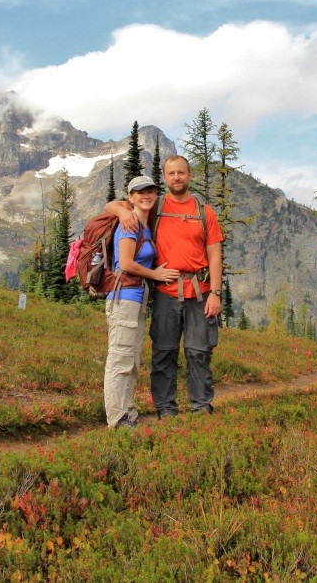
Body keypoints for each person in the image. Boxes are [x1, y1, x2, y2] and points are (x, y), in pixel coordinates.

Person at [107, 156, 224, 418]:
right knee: (164, 352)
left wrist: (215, 293)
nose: (176, 178)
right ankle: (165, 407)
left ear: (189, 175)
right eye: (171, 173)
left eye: (181, 172)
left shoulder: (205, 212)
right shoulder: (154, 206)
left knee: (199, 352)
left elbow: (215, 255)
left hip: (200, 291)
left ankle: (201, 405)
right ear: (164, 177)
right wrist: (123, 212)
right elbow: (110, 206)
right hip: (164, 292)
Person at [104, 175, 180, 429]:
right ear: (131, 198)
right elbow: (125, 263)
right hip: (124, 295)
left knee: (132, 358)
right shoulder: (130, 223)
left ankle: (127, 409)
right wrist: (155, 274)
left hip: (137, 297)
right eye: (140, 192)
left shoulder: (146, 224)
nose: (146, 195)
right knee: (120, 357)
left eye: (150, 191)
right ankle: (117, 417)